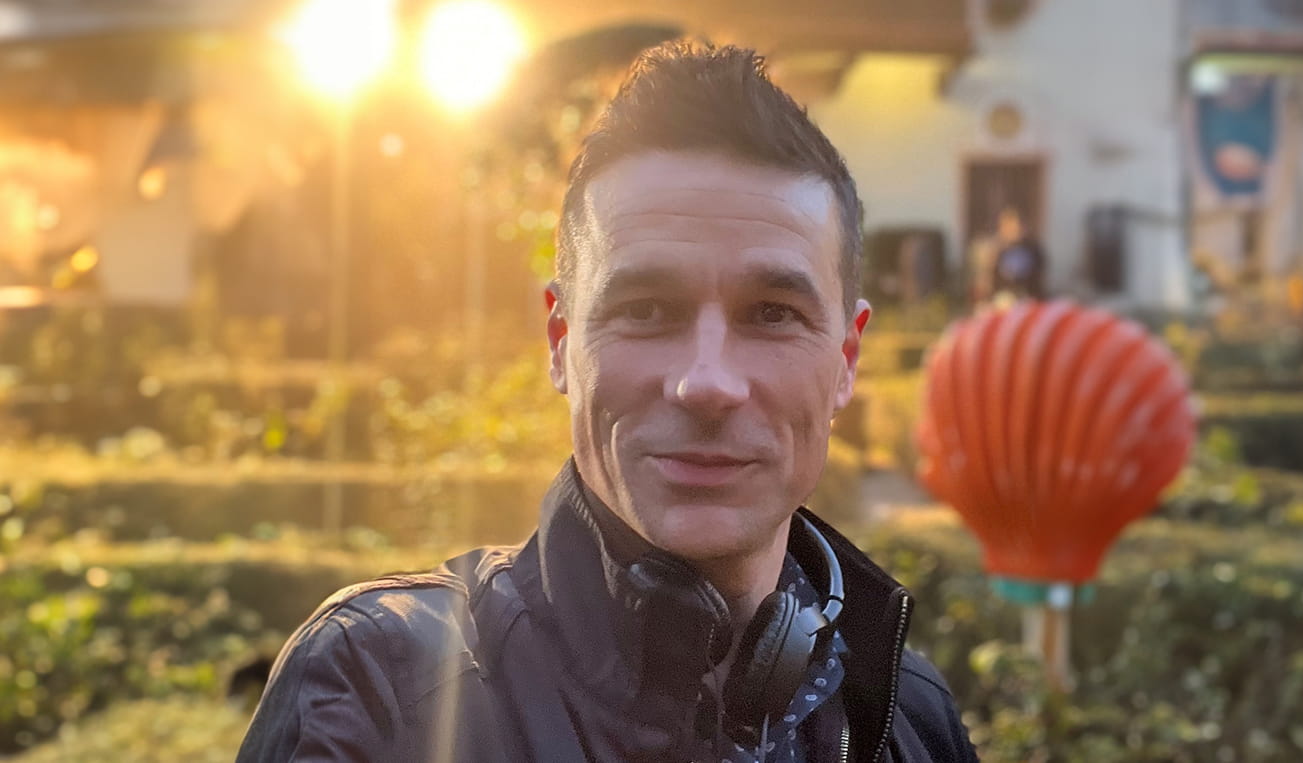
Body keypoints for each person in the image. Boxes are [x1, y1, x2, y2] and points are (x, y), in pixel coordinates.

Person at [237, 42, 977, 763]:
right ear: (560, 341)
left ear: (846, 358)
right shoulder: (377, 692)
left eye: (772, 314)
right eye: (648, 310)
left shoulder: (906, 712)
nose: (707, 382)